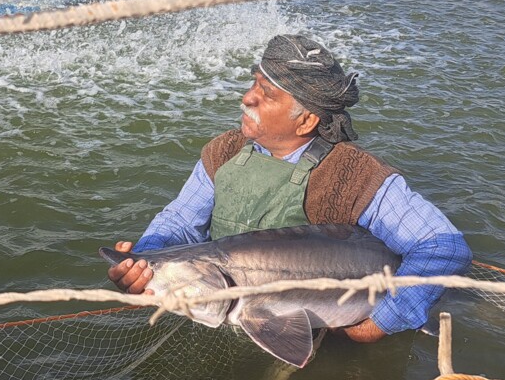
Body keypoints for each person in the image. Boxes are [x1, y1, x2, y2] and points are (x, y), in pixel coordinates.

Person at [108, 34, 471, 342]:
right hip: (233, 306)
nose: (247, 99)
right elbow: (180, 222)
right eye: (253, 84)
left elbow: (444, 247)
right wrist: (146, 258)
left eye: (266, 95)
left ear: (308, 120)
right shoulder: (224, 151)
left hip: (330, 330)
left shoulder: (358, 175)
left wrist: (382, 321)